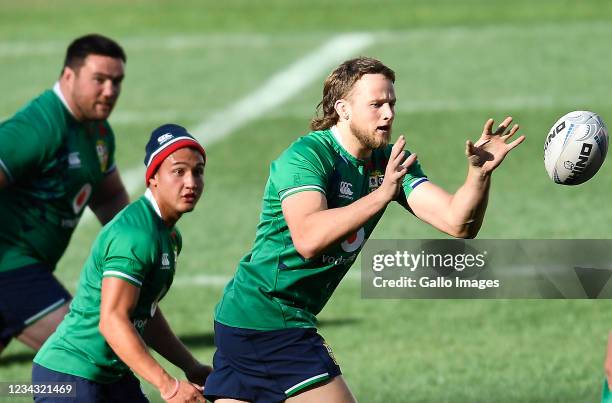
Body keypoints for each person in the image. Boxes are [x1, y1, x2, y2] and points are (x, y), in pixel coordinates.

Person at [203, 57, 525, 403]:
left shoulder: (390, 162)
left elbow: (458, 222)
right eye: (376, 105)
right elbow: (309, 238)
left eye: (391, 104)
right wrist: (382, 195)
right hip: (269, 315)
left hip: (251, 318)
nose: (388, 114)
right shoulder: (306, 157)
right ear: (342, 108)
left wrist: (479, 175)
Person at [32, 124, 210, 402]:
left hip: (110, 375)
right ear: (153, 177)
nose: (191, 182)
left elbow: (144, 315)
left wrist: (190, 366)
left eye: (198, 171)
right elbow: (112, 320)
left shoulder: (169, 236)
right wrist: (169, 385)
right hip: (68, 376)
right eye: (178, 171)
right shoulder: (135, 236)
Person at [0, 34, 130, 355]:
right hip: (11, 268)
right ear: (68, 75)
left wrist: (136, 242)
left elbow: (108, 196)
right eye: (99, 80)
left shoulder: (98, 132)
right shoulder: (38, 127)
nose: (109, 91)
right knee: (85, 353)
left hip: (30, 268)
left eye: (117, 81)